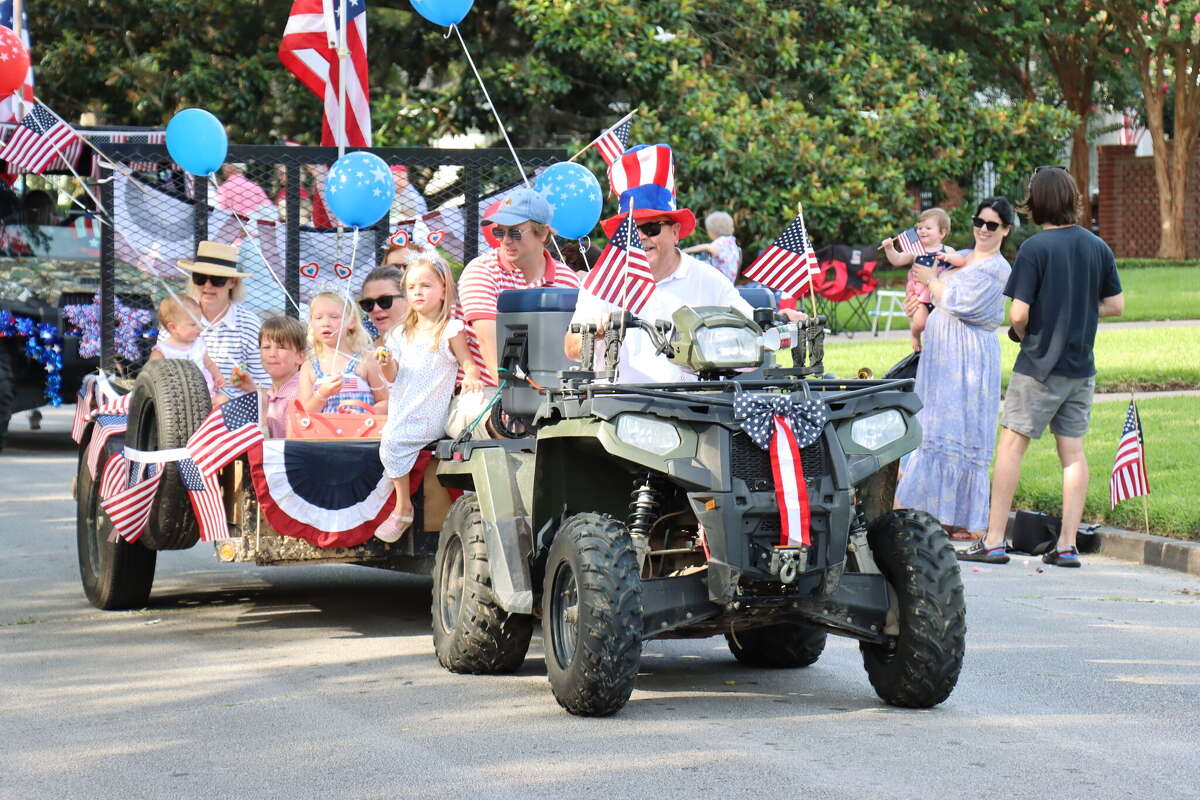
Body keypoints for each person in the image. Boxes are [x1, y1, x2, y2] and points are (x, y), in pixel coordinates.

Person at [962, 168, 1124, 568]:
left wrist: (1026, 329)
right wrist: (1079, 311)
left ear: (1037, 202)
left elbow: (1018, 312)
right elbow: (1116, 304)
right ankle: (1067, 545)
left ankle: (995, 539)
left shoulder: (1035, 249)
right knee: (1072, 454)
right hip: (1080, 367)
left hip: (1038, 366)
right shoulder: (1096, 246)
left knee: (1012, 446)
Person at [565, 144, 798, 383]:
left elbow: (754, 332)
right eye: (631, 229)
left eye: (651, 227)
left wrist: (785, 323)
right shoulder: (603, 280)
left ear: (675, 232)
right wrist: (596, 330)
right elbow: (571, 347)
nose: (641, 237)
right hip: (617, 405)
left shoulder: (707, 279)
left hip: (689, 406)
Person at [894, 198, 1014, 542]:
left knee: (959, 428)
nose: (983, 229)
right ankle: (936, 515)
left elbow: (964, 305)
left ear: (1005, 229)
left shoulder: (997, 268)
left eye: (992, 225)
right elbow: (935, 296)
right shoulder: (961, 256)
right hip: (941, 355)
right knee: (933, 426)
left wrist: (932, 281)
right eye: (980, 221)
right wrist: (916, 305)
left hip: (969, 358)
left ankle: (964, 518)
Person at [372, 256, 483, 541]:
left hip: (430, 410)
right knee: (391, 435)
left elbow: (467, 362)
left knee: (392, 441)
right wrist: (385, 362)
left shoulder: (450, 330)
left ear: (444, 290)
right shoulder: (399, 333)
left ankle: (402, 508)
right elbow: (394, 375)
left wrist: (471, 375)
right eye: (411, 287)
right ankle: (399, 503)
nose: (418, 292)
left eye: (426, 285)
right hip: (404, 405)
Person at [459, 187, 581, 386]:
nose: (505, 240)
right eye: (499, 231)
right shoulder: (481, 271)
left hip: (551, 390)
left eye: (515, 232)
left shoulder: (567, 279)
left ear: (542, 234)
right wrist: (513, 401)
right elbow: (491, 350)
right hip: (487, 390)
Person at [177, 241, 268, 396]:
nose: (207, 286)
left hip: (233, 413)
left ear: (232, 282)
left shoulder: (249, 324)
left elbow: (263, 383)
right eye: (200, 278)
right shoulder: (178, 317)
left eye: (217, 280)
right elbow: (161, 371)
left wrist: (229, 401)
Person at [881, 208, 967, 352]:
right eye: (920, 228)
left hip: (940, 297)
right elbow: (897, 260)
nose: (922, 231)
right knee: (920, 323)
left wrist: (948, 258)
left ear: (942, 232)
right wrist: (889, 249)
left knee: (939, 329)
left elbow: (961, 261)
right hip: (920, 297)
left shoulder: (947, 250)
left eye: (928, 228)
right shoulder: (916, 250)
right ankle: (915, 334)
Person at [298, 291, 387, 414]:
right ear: (311, 323)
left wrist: (367, 415)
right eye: (318, 318)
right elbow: (304, 413)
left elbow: (385, 402)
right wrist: (321, 394)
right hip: (324, 432)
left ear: (351, 322)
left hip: (363, 431)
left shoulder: (365, 360)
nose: (326, 323)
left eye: (334, 317)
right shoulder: (308, 367)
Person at [230, 316, 308, 438]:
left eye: (281, 347)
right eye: (266, 347)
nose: (272, 354)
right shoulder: (272, 393)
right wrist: (251, 390)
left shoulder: (300, 393)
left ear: (300, 356)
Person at [149, 295, 225, 401]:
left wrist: (217, 376)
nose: (200, 327)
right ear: (173, 327)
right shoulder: (162, 351)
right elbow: (152, 375)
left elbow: (209, 363)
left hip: (204, 393)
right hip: (177, 398)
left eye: (199, 322)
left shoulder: (199, 344)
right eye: (193, 324)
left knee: (223, 399)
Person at [682, 210, 741, 283]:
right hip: (728, 280)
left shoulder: (721, 242)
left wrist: (685, 251)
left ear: (712, 231)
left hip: (719, 281)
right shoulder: (731, 242)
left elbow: (710, 248)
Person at [359, 264, 408, 345]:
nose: (376, 309)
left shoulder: (433, 347)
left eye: (384, 301)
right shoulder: (363, 356)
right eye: (368, 303)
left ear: (407, 299)